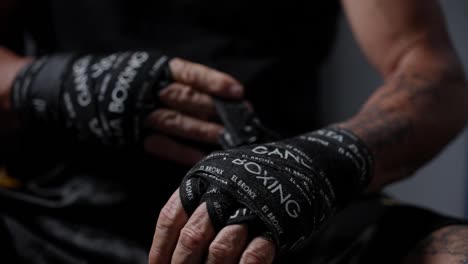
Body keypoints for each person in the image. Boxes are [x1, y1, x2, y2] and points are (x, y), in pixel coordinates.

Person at [0, 1, 466, 264]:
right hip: (54, 217)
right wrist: (47, 84)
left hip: (281, 208)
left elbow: (431, 73)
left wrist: (330, 156)